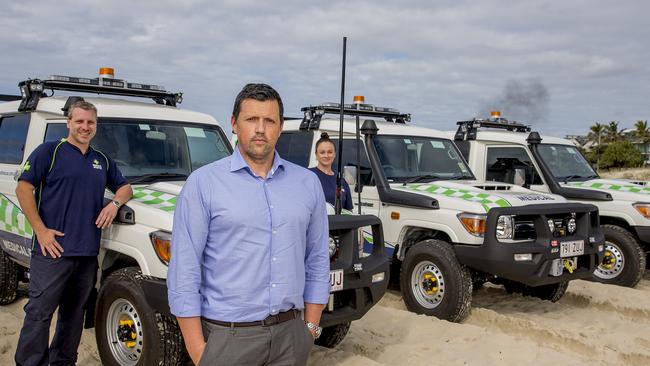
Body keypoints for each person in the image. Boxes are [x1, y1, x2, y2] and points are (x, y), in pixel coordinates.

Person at [167, 83, 330, 366]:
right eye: (251, 119)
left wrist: (310, 330)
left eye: (269, 121)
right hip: (227, 338)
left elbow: (317, 259)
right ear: (234, 123)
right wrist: (197, 349)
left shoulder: (307, 184)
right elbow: (184, 269)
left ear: (280, 127)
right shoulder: (204, 184)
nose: (260, 129)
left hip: (291, 337)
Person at [14, 100, 133, 366]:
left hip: (87, 253)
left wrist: (114, 204)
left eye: (90, 122)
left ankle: (63, 362)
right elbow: (23, 189)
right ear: (68, 123)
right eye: (79, 121)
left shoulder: (101, 160)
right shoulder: (49, 152)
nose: (85, 127)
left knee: (73, 316)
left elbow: (125, 188)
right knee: (39, 314)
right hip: (51, 251)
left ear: (96, 126)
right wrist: (41, 231)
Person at [309, 132, 354, 210]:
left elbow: (348, 211)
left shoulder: (341, 181)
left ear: (334, 154)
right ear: (316, 155)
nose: (326, 155)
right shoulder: (308, 176)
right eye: (322, 152)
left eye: (330, 152)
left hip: (338, 222)